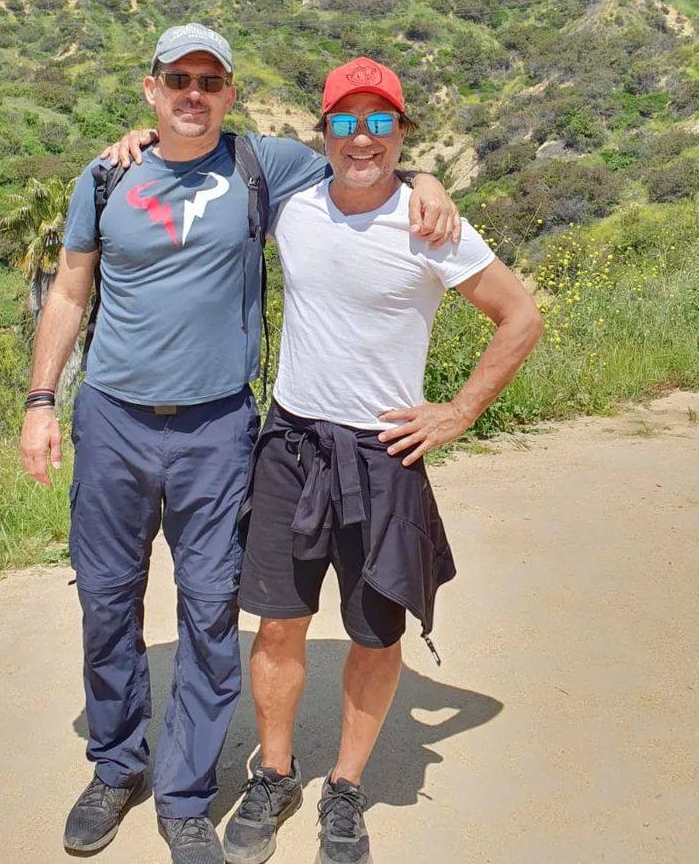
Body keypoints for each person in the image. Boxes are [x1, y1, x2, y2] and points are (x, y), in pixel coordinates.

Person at [18, 25, 458, 864]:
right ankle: (117, 767)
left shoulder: (261, 165)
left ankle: (185, 793)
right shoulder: (108, 174)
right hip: (111, 417)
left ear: (230, 93)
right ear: (150, 88)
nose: (193, 93)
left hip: (218, 427)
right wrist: (42, 399)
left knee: (211, 609)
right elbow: (72, 290)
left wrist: (429, 177)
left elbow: (362, 160)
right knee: (107, 603)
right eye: (177, 78)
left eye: (209, 81)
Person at [222, 57, 544, 864]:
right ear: (323, 132)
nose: (360, 138)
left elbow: (520, 316)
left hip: (380, 453)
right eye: (344, 122)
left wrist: (459, 412)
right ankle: (275, 774)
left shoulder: (431, 225)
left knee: (373, 632)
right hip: (291, 443)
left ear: (400, 132)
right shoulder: (292, 209)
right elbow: (203, 154)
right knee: (278, 627)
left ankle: (346, 788)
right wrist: (132, 141)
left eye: (378, 123)